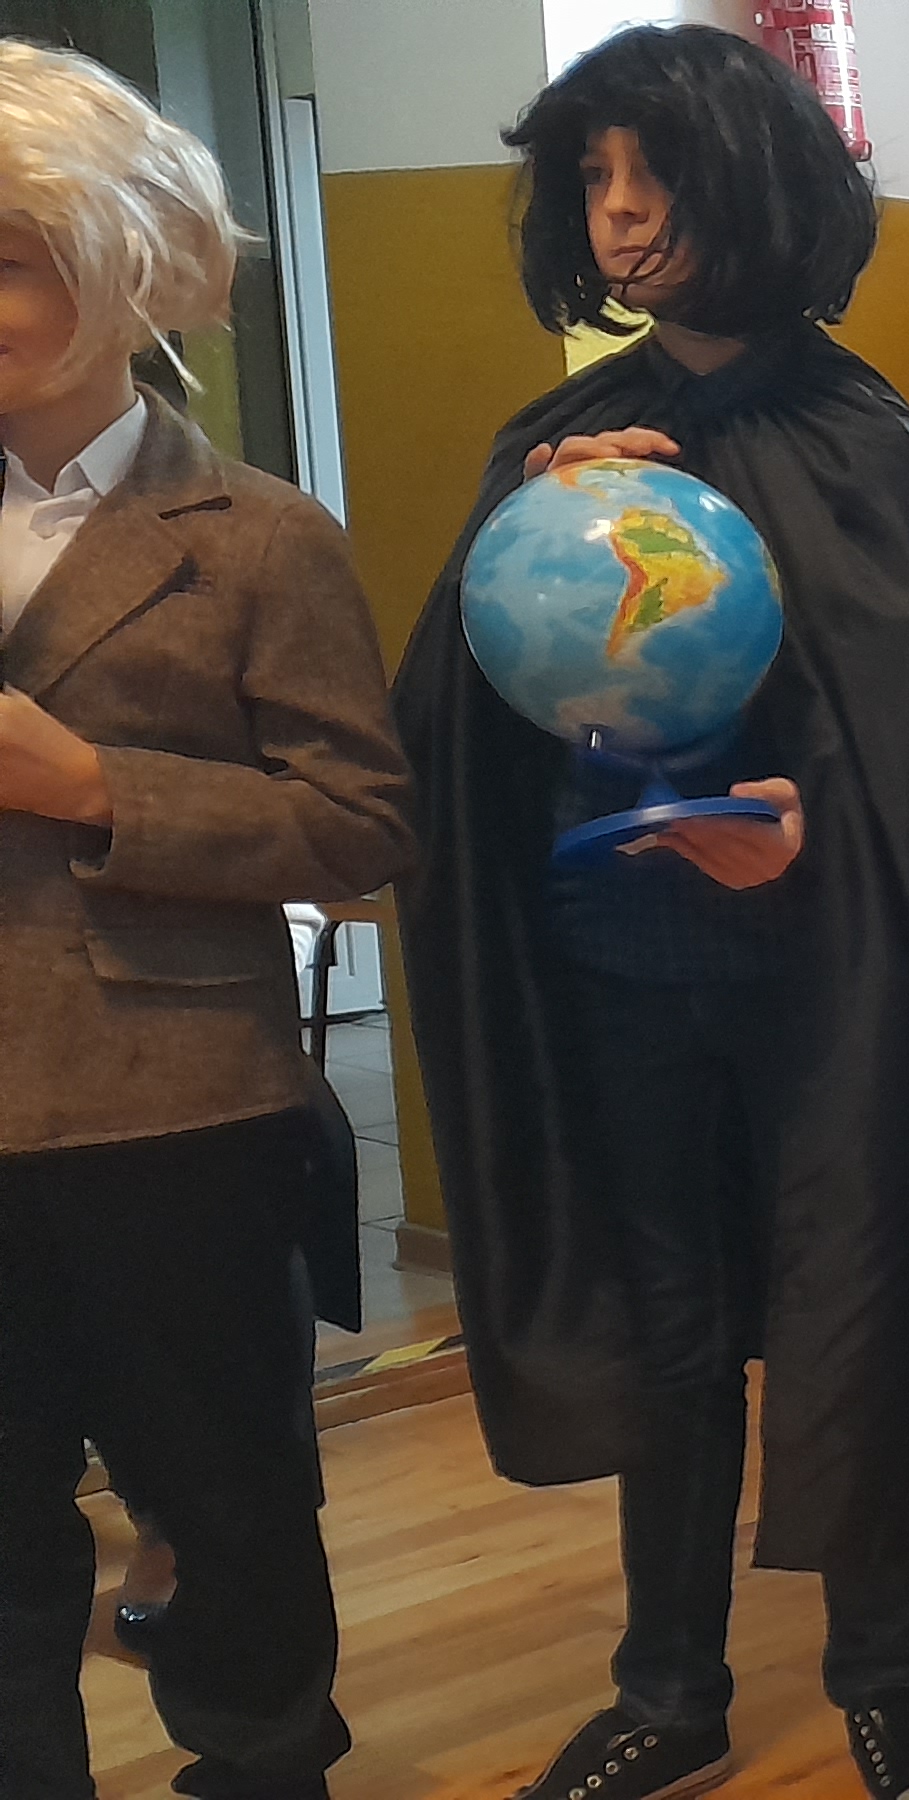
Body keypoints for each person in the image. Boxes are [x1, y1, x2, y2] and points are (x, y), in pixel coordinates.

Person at [389, 28, 909, 1800]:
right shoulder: (560, 443)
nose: (623, 213)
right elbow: (461, 725)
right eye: (594, 178)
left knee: (849, 1305)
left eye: (657, 174)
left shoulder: (864, 441)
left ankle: (888, 1678)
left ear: (758, 187)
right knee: (666, 1328)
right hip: (621, 969)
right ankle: (669, 1691)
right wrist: (532, 538)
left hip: (830, 977)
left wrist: (811, 828)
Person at [0, 42, 408, 1800]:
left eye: (9, 257)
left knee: (232, 1506)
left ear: (123, 265)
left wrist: (96, 786)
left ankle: (260, 1766)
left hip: (169, 1108)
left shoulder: (256, 539)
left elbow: (360, 827)